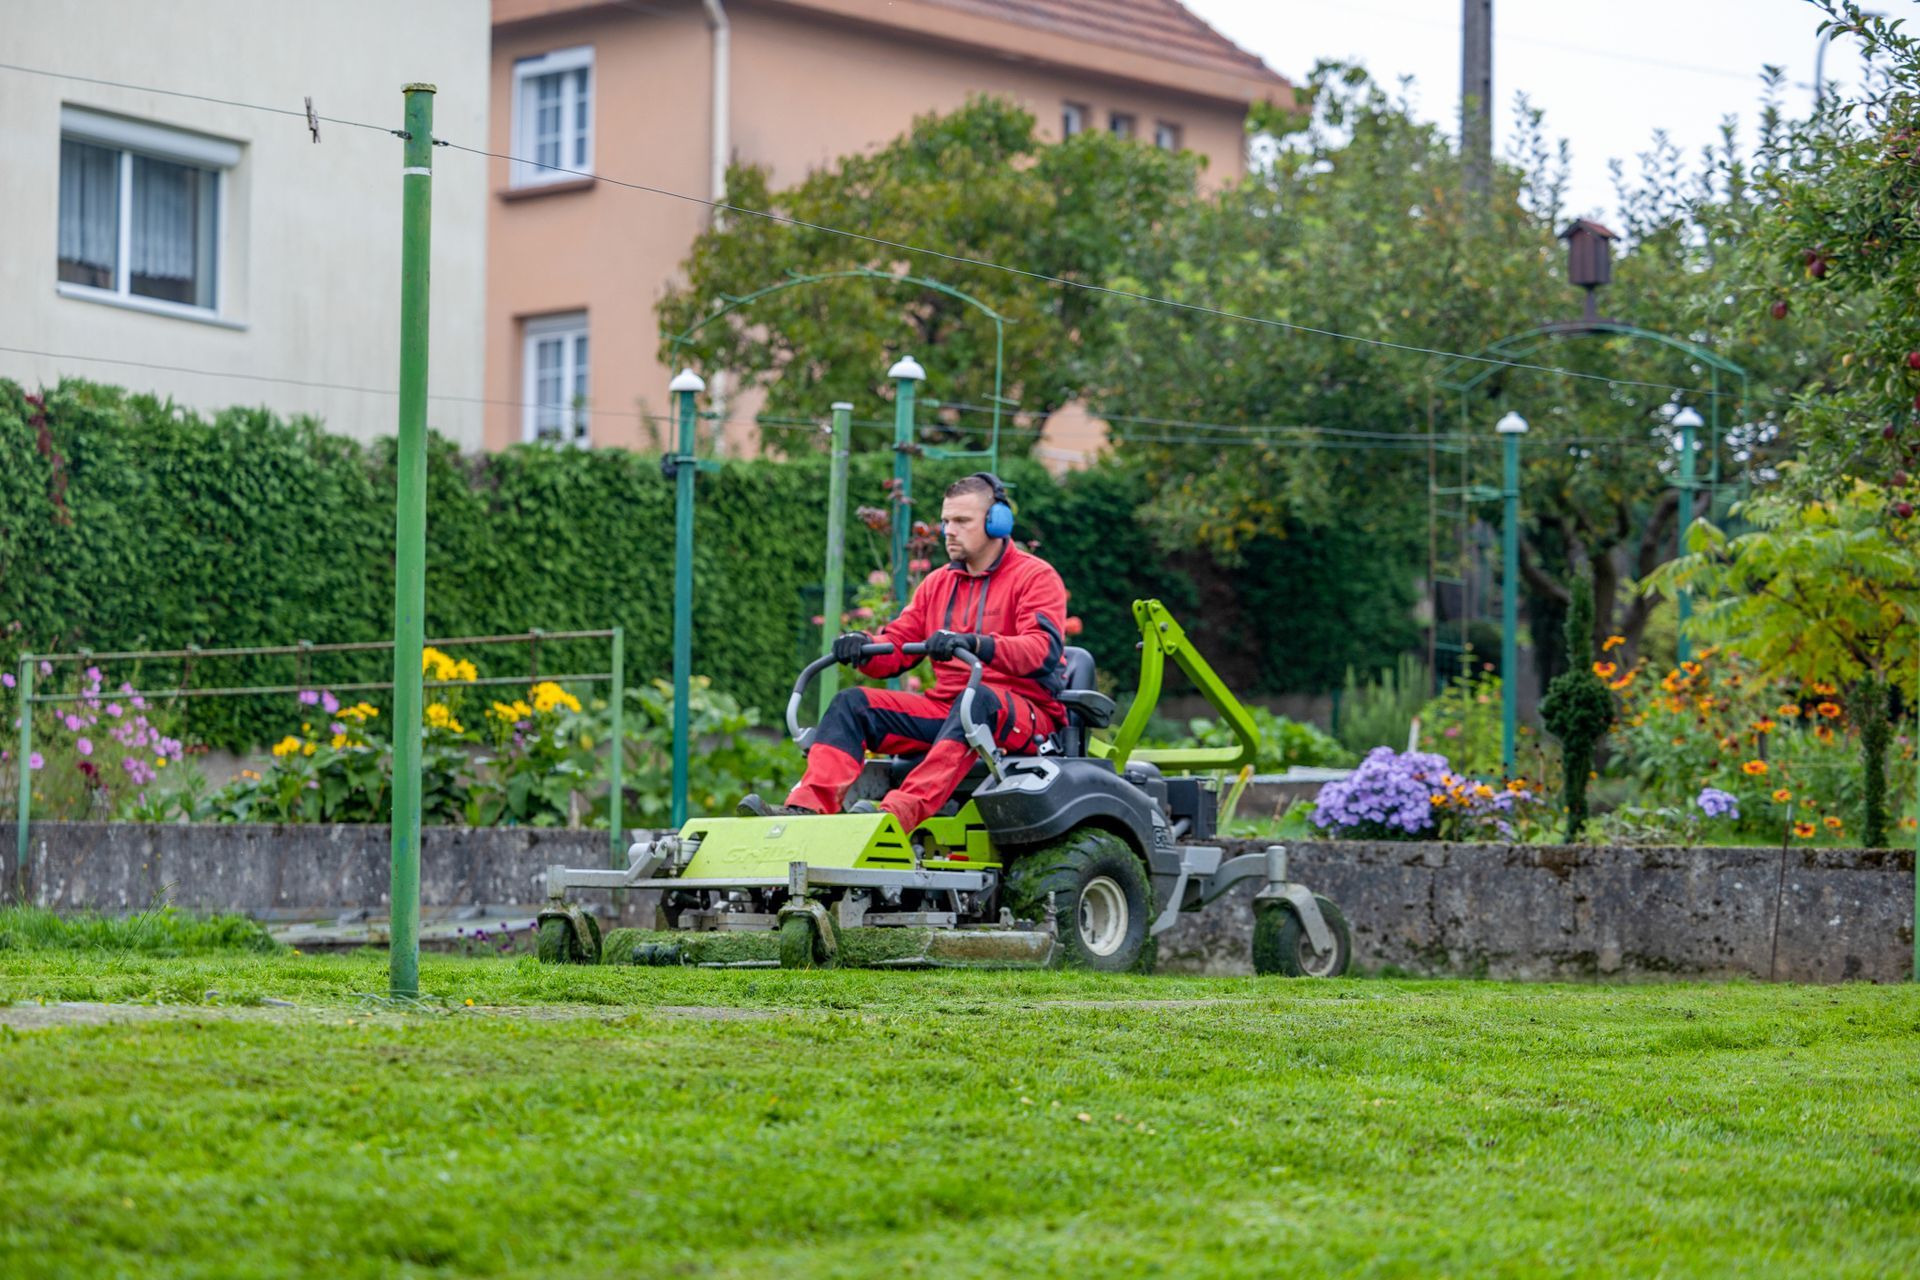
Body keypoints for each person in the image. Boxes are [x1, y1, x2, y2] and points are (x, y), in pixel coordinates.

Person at [738, 472, 1069, 831]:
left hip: (1022, 713)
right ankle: (805, 810)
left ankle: (894, 815)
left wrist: (974, 642)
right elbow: (898, 644)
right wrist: (863, 645)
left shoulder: (1036, 577)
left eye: (962, 521)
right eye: (945, 521)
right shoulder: (937, 584)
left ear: (997, 522)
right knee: (852, 704)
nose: (949, 531)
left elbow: (1041, 650)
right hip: (950, 708)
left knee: (976, 703)